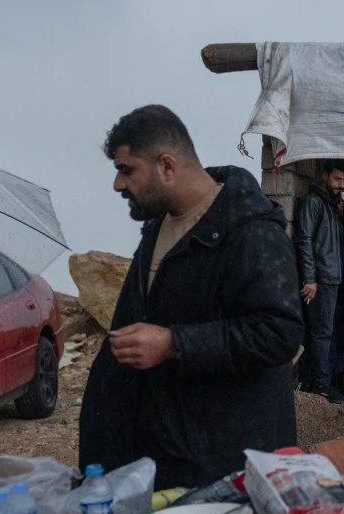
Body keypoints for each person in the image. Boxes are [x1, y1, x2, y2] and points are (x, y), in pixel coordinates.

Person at [80, 105, 302, 490]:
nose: (118, 184)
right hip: (162, 462)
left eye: (126, 169)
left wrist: (173, 343)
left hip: (222, 472)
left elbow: (279, 333)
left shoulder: (251, 233)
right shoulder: (157, 226)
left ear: (167, 166)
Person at [294, 160, 344, 402]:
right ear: (324, 177)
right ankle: (320, 386)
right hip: (320, 278)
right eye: (337, 180)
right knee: (321, 333)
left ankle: (317, 383)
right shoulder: (313, 202)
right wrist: (310, 278)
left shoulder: (332, 205)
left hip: (332, 276)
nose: (341, 185)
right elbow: (305, 240)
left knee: (325, 333)